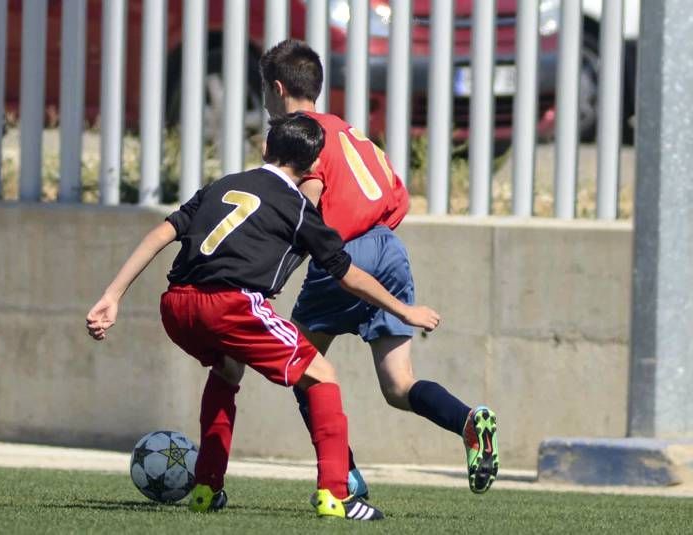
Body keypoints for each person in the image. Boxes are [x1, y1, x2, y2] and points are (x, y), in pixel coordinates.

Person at [85, 113, 441, 520]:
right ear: (310, 168)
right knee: (323, 375)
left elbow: (161, 233)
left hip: (177, 305)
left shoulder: (221, 186)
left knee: (227, 370)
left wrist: (112, 296)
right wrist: (404, 309)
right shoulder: (299, 208)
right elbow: (349, 275)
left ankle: (206, 487)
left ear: (265, 149)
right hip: (231, 305)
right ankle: (336, 495)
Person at [259, 40, 499, 495]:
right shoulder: (354, 133)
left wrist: (275, 263)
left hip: (345, 254)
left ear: (276, 88)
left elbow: (303, 205)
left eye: (264, 92)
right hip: (390, 247)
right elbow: (398, 197)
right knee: (398, 385)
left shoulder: (292, 134)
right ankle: (468, 422)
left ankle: (344, 477)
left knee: (300, 367)